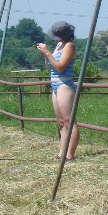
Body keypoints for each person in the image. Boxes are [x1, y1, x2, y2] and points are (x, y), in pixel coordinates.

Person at [36, 21, 80, 160]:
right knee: (61, 122)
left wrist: (47, 52)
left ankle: (70, 154)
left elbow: (60, 67)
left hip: (64, 84)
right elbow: (51, 67)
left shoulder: (69, 46)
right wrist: (46, 54)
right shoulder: (59, 45)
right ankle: (61, 153)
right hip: (55, 84)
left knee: (69, 121)